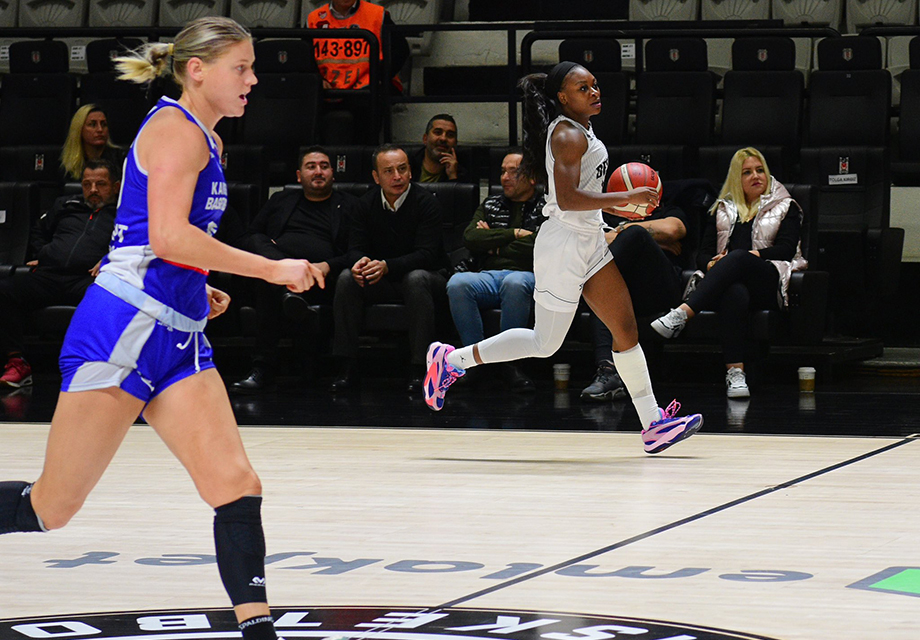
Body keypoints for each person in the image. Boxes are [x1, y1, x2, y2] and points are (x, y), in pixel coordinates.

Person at [0, 18, 323, 640]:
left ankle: (259, 632)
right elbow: (170, 237)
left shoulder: (209, 139)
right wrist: (272, 268)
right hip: (122, 330)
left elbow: (153, 235)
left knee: (235, 485)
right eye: (241, 68)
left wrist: (196, 285)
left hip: (175, 334)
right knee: (51, 508)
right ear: (197, 70)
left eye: (253, 68)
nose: (254, 80)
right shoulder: (176, 130)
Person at [422, 62, 703, 454]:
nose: (594, 91)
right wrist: (625, 198)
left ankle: (653, 423)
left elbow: (582, 195)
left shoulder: (582, 128)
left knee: (625, 331)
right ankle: (452, 361)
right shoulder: (567, 134)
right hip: (564, 246)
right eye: (583, 87)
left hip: (589, 239)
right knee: (545, 343)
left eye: (595, 84)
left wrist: (617, 208)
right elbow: (568, 199)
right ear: (562, 97)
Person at [651, 147, 806, 398]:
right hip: (732, 281)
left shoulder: (786, 206)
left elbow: (786, 250)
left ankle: (682, 313)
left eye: (760, 170)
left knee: (739, 257)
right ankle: (736, 374)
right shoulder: (722, 210)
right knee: (734, 292)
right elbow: (703, 254)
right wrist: (712, 264)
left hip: (770, 279)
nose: (756, 176)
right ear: (736, 179)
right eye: (747, 172)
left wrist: (751, 255)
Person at [231, 146, 359, 392]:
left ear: (333, 173)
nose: (318, 171)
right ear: (299, 176)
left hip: (321, 280)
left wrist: (327, 265)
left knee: (270, 281)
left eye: (324, 166)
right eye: (311, 167)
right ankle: (286, 288)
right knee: (262, 258)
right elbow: (251, 237)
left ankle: (263, 368)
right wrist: (281, 266)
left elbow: (356, 252)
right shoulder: (281, 200)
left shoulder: (350, 205)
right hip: (279, 274)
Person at [331, 144, 446, 393]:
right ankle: (347, 365)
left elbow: (427, 255)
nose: (397, 176)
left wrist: (386, 266)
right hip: (381, 278)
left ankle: (420, 367)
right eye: (389, 171)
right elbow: (354, 248)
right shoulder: (364, 205)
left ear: (410, 172)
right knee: (347, 278)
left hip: (428, 278)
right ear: (376, 177)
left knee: (415, 279)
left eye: (402, 169)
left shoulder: (427, 203)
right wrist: (360, 262)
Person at [0, 159, 120, 389]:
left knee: (113, 298)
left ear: (115, 187)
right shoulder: (66, 204)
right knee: (4, 290)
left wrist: (109, 258)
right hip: (50, 275)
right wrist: (43, 254)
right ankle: (17, 362)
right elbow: (38, 231)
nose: (93, 190)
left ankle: (100, 369)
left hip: (88, 278)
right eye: (87, 184)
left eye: (101, 184)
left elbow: (134, 244)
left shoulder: (123, 214)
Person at [446, 150, 545, 392]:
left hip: (529, 273)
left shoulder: (547, 207)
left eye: (513, 172)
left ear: (532, 177)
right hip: (489, 275)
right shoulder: (491, 204)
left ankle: (510, 363)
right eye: (502, 171)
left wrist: (495, 245)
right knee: (458, 283)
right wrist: (514, 234)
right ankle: (473, 362)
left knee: (515, 283)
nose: (505, 178)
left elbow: (541, 245)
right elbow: (471, 238)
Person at [581, 188, 692, 401]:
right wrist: (655, 237)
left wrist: (625, 231)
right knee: (605, 290)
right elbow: (589, 239)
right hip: (622, 290)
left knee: (636, 236)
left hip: (660, 289)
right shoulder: (606, 214)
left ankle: (587, 285)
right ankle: (608, 372)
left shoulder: (665, 210)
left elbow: (673, 229)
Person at [306, 0, 409, 93]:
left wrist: (379, 77)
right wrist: (318, 80)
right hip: (326, 91)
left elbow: (401, 50)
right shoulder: (314, 19)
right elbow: (304, 59)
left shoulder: (377, 14)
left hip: (369, 90)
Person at [60, 104, 123, 182]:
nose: (100, 129)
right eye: (93, 125)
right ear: (79, 129)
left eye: (104, 124)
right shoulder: (67, 165)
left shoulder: (120, 159)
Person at [408, 114, 470, 183]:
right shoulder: (408, 164)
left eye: (450, 135)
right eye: (438, 132)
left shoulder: (463, 173)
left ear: (455, 143)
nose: (443, 138)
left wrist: (452, 176)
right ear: (425, 139)